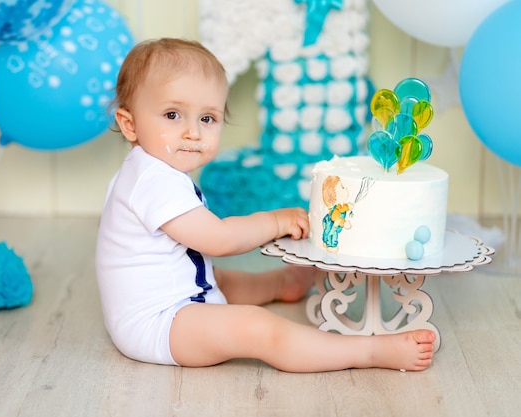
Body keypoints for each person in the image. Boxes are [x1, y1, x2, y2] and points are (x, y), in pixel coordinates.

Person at [95, 38, 435, 373]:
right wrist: (274, 221)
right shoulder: (153, 180)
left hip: (172, 299)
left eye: (208, 119)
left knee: (220, 279)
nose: (193, 133)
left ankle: (281, 284)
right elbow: (218, 239)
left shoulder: (153, 168)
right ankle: (369, 351)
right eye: (173, 114)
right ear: (130, 124)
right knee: (255, 327)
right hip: (158, 324)